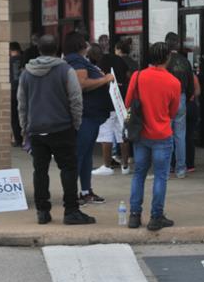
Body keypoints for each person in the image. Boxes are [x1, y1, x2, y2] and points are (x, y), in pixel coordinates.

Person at [16, 35, 95, 226]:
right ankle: (71, 211)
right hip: (62, 127)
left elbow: (22, 104)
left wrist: (25, 128)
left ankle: (43, 212)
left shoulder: (26, 73)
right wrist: (76, 124)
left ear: (38, 50)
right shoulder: (65, 70)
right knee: (68, 169)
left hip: (36, 129)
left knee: (40, 171)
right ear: (57, 49)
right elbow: (76, 99)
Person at [125, 42, 181, 230]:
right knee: (160, 176)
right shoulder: (174, 82)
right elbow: (173, 112)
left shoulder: (138, 76)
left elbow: (128, 102)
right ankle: (156, 217)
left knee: (139, 174)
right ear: (167, 58)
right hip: (162, 134)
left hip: (140, 133)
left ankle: (134, 215)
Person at [64, 33, 114, 205]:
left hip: (92, 115)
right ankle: (72, 196)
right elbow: (81, 84)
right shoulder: (76, 61)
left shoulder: (78, 60)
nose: (87, 45)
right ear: (79, 45)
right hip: (86, 115)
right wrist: (104, 79)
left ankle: (86, 191)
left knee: (86, 155)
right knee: (79, 155)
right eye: (85, 43)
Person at [92, 37, 134, 175]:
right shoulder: (119, 59)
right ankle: (125, 166)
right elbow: (128, 75)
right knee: (122, 134)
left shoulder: (99, 64)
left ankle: (107, 166)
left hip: (107, 101)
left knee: (106, 134)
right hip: (121, 101)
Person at [165, 32, 194, 179]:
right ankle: (181, 169)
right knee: (180, 135)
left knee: (166, 134)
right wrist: (186, 97)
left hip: (166, 99)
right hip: (181, 97)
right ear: (177, 44)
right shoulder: (185, 61)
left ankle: (167, 167)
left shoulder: (165, 61)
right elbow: (191, 83)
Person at [9, 42, 24, 146]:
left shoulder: (8, 61)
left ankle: (18, 139)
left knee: (14, 116)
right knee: (24, 113)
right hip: (23, 89)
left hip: (13, 90)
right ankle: (26, 139)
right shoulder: (24, 59)